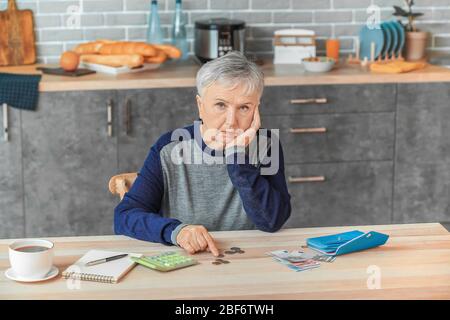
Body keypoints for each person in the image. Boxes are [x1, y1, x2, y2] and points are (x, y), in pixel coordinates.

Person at [114, 51, 291, 257]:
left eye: (244, 107)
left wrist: (236, 155)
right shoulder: (170, 147)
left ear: (256, 111)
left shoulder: (267, 146)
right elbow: (124, 217)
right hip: (185, 260)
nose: (231, 121)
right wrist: (176, 232)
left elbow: (272, 221)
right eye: (220, 105)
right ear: (201, 105)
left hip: (246, 260)